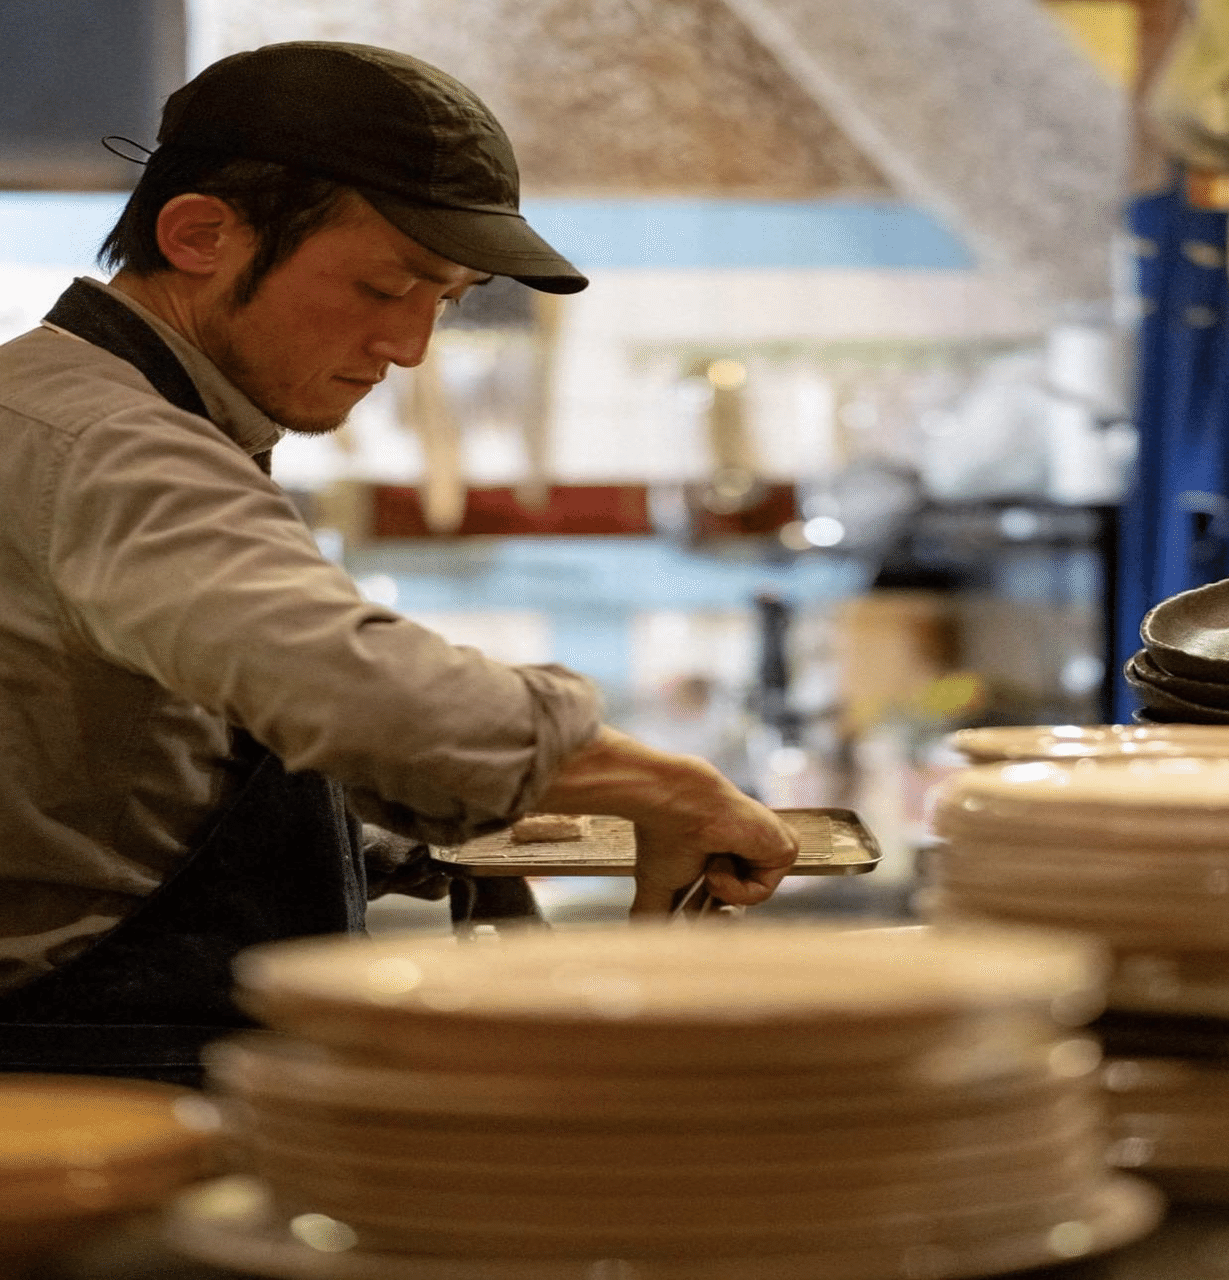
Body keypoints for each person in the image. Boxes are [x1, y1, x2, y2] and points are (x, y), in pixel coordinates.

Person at [0, 42, 798, 1086]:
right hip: (87, 1087)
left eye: (448, 299)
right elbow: (356, 688)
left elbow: (120, 787)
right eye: (384, 286)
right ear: (199, 235)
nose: (411, 346)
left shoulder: (93, 414)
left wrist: (393, 842)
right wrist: (659, 783)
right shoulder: (109, 444)